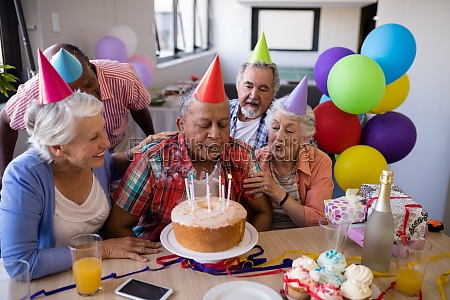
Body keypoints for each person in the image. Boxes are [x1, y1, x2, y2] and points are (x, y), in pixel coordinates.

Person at [0, 51, 163, 280]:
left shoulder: (91, 158)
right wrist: (103, 249)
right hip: (49, 285)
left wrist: (144, 150)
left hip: (98, 275)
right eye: (94, 138)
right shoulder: (23, 177)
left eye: (103, 130)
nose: (106, 143)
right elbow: (21, 265)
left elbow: (110, 163)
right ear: (58, 147)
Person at [104, 56, 272, 241]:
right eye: (204, 125)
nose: (215, 134)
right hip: (162, 256)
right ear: (181, 126)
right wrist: (152, 258)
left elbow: (263, 212)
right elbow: (117, 225)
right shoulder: (153, 161)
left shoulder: (241, 155)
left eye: (223, 125)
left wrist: (244, 244)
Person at [0, 43, 155, 190]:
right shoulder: (32, 92)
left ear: (88, 63)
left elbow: (139, 109)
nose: (88, 96)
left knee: (126, 192)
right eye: (74, 93)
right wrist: (3, 173)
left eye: (89, 84)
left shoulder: (123, 78)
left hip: (118, 139)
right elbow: (5, 121)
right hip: (69, 155)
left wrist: (153, 140)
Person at [243, 76, 334, 229]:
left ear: (305, 137)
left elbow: (316, 221)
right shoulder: (254, 161)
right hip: (263, 238)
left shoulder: (320, 162)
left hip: (304, 238)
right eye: (275, 127)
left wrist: (276, 191)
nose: (279, 137)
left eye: (290, 131)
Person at [229, 33, 281, 150]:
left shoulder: (281, 119)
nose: (253, 96)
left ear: (273, 94)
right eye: (248, 86)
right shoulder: (221, 110)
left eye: (262, 90)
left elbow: (309, 152)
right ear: (238, 86)